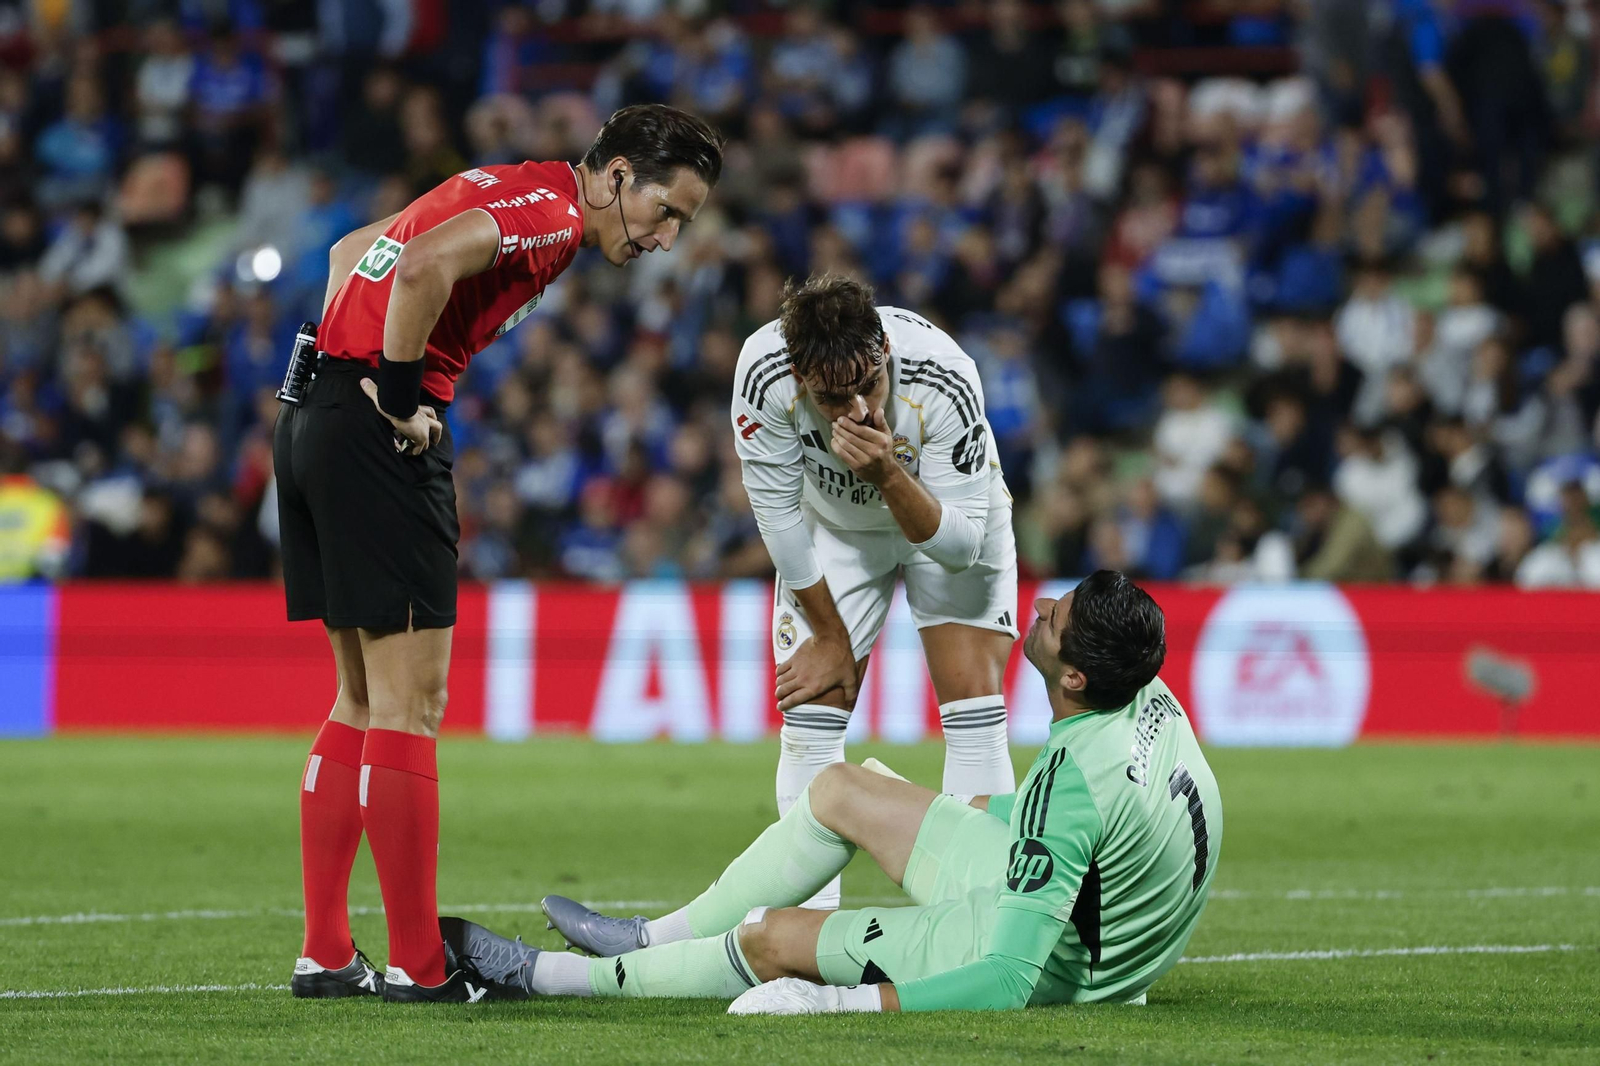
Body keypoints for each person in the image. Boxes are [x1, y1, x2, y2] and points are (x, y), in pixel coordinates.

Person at [277, 104, 722, 1003]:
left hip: (313, 416)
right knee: (413, 702)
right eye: (667, 211)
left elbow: (348, 254)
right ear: (620, 175)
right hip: (372, 431)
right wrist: (398, 397)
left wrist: (335, 373)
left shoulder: (505, 182)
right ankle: (419, 965)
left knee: (360, 697)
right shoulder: (554, 215)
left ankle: (327, 952)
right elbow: (423, 262)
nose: (668, 238)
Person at [449, 570, 1222, 1013]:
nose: (1044, 606)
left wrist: (837, 1005)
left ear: (1077, 677)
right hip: (1099, 930)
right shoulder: (1151, 697)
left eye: (1057, 620)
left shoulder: (1074, 778)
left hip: (1049, 960)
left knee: (771, 939)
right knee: (847, 788)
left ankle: (539, 976)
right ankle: (656, 938)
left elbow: (1009, 978)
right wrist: (997, 817)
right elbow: (1106, 838)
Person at [725, 274, 1022, 912]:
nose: (857, 409)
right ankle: (807, 931)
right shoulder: (762, 374)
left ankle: (980, 919)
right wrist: (831, 638)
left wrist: (887, 471)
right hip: (834, 526)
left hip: (946, 515)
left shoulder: (944, 373)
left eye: (869, 384)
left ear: (884, 348)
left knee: (975, 709)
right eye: (833, 397)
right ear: (800, 375)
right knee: (809, 715)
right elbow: (777, 517)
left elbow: (960, 545)